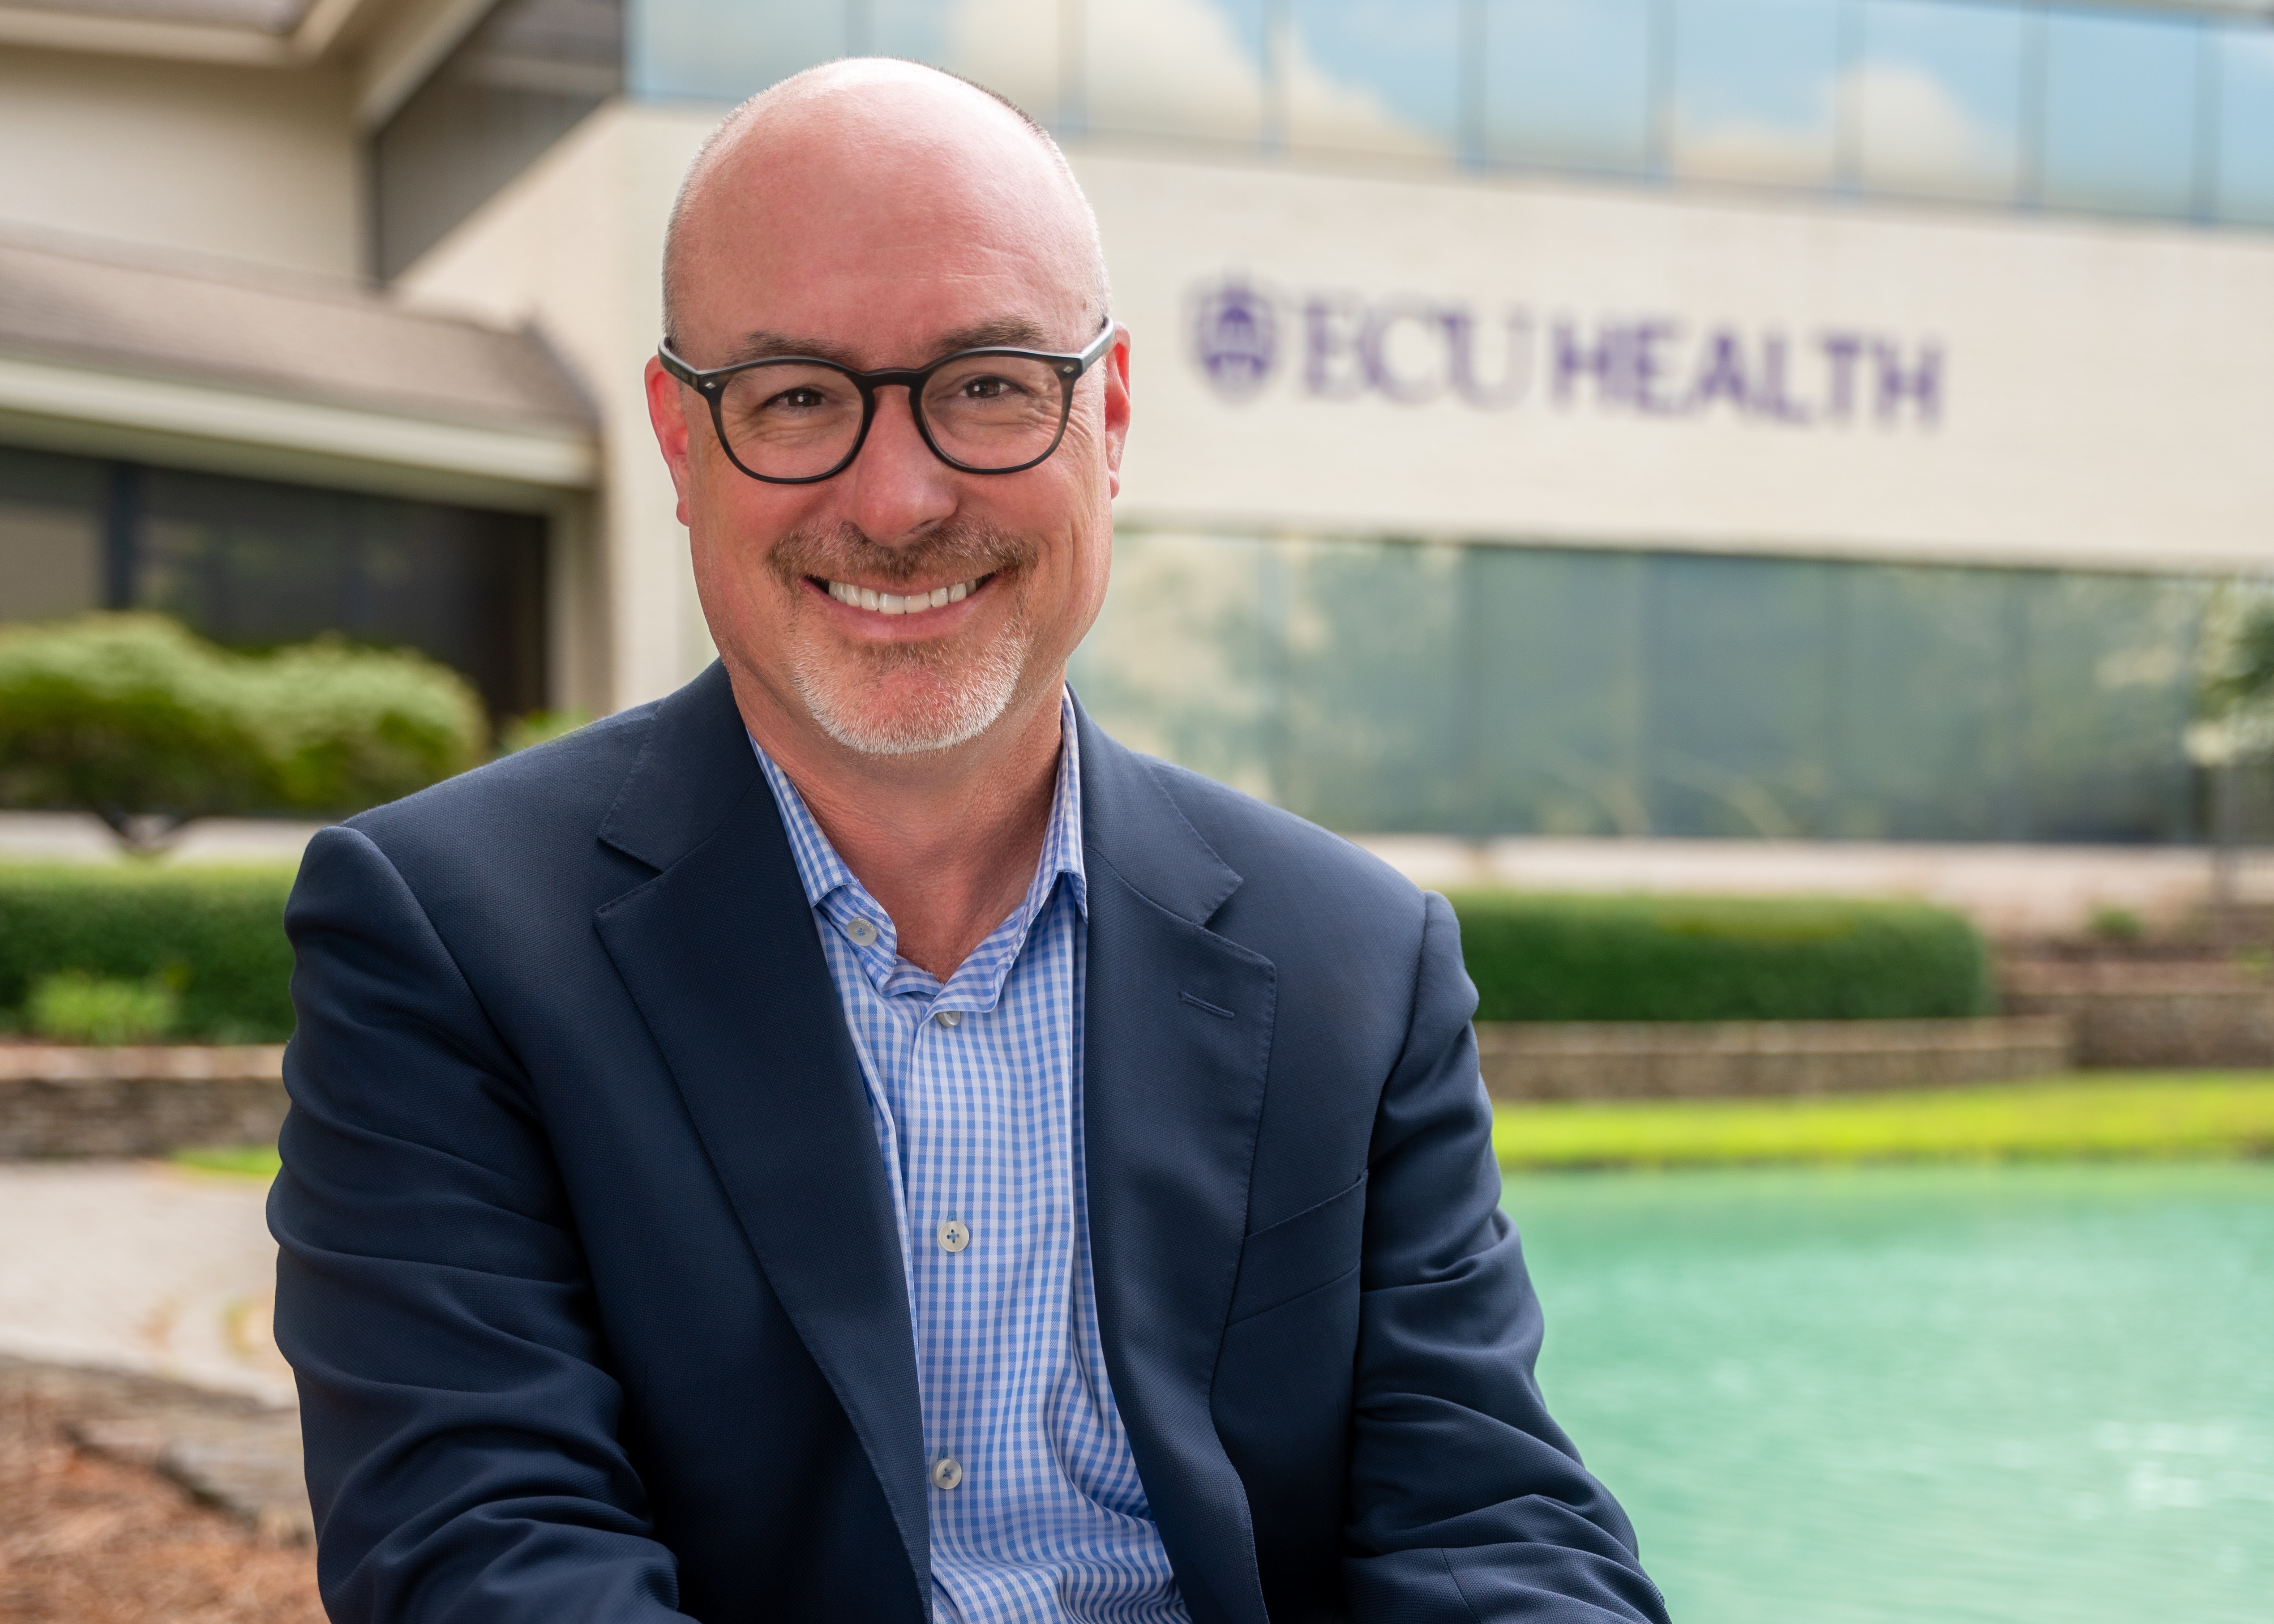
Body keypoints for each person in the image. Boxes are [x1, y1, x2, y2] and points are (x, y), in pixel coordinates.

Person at [270, 58, 1667, 1624]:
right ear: (679, 441)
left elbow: (1491, 1530)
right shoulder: (445, 938)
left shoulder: (1358, 960)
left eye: (989, 381)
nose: (899, 493)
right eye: (796, 395)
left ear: (1111, 416)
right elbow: (482, 1558)